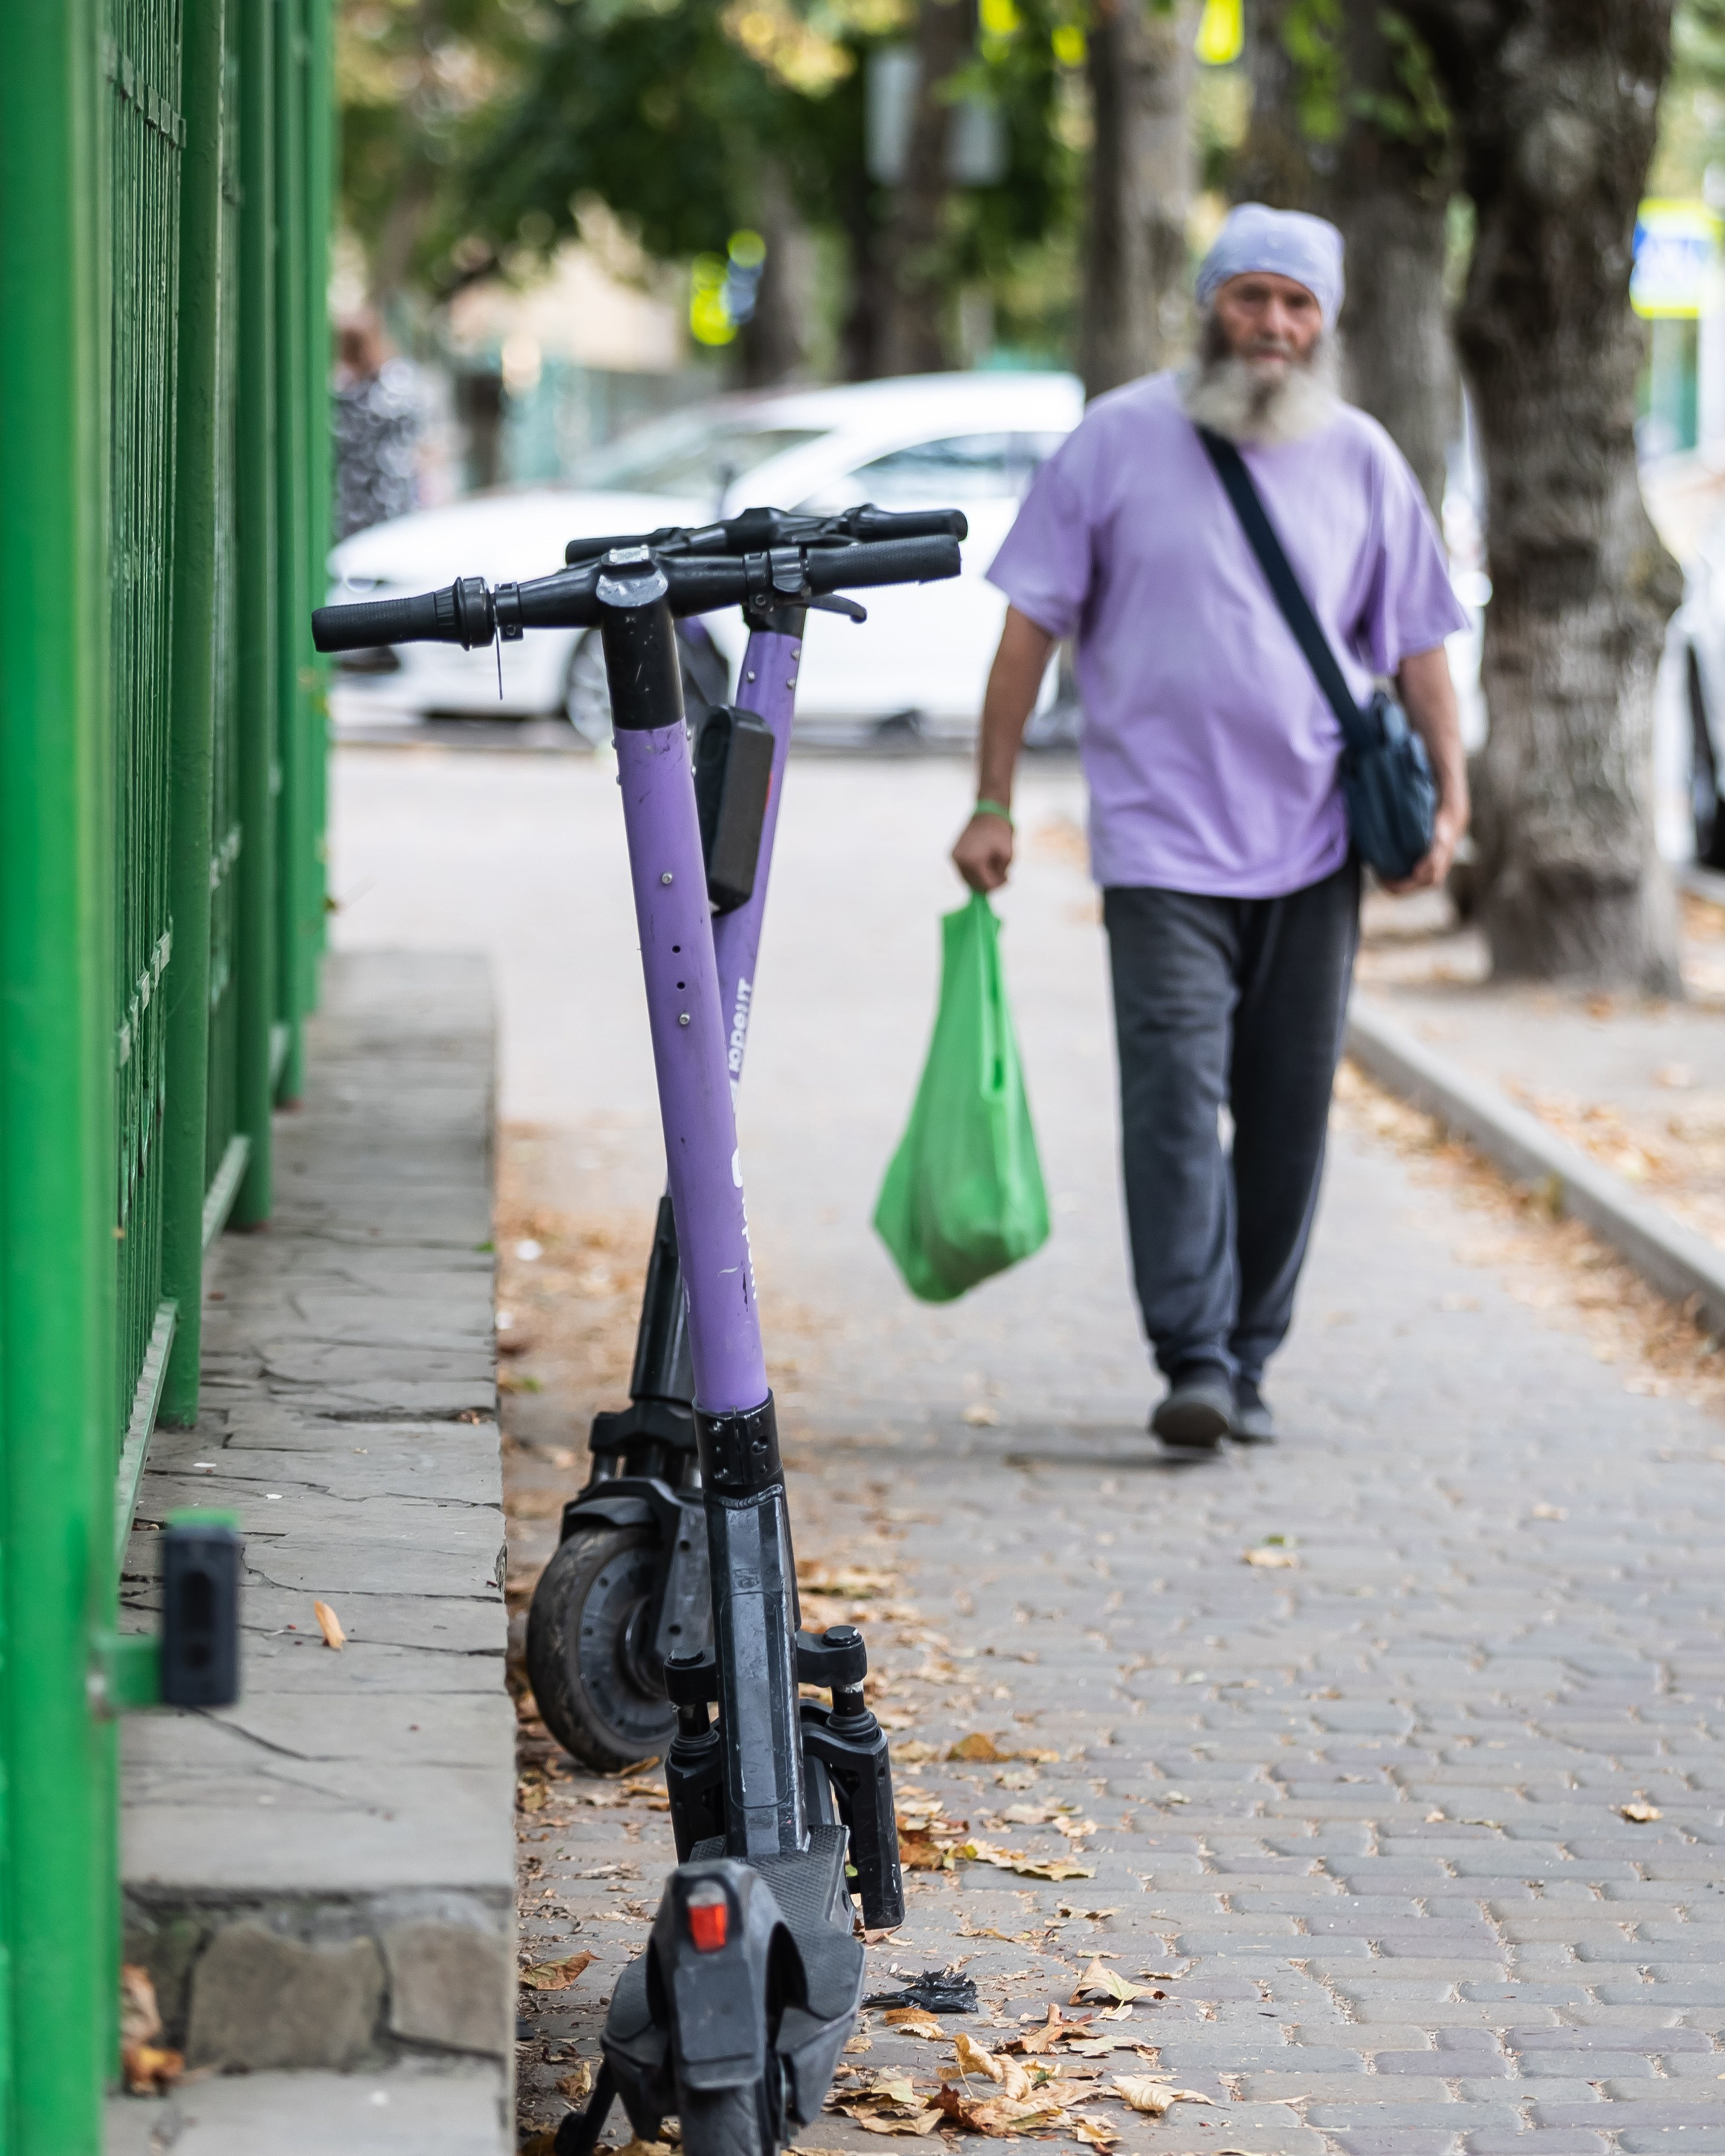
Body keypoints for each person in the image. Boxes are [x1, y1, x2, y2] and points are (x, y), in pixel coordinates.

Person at [952, 203, 1470, 1452]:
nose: (1275, 327)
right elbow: (1030, 629)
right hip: (1159, 842)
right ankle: (1190, 1353)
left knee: (1287, 1103)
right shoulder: (1117, 442)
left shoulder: (1361, 459)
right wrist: (992, 797)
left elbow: (1418, 650)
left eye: (1299, 305)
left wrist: (1451, 803)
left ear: (1327, 322)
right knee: (1177, 1097)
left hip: (1316, 842)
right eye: (1253, 298)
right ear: (1210, 305)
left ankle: (1250, 1353)